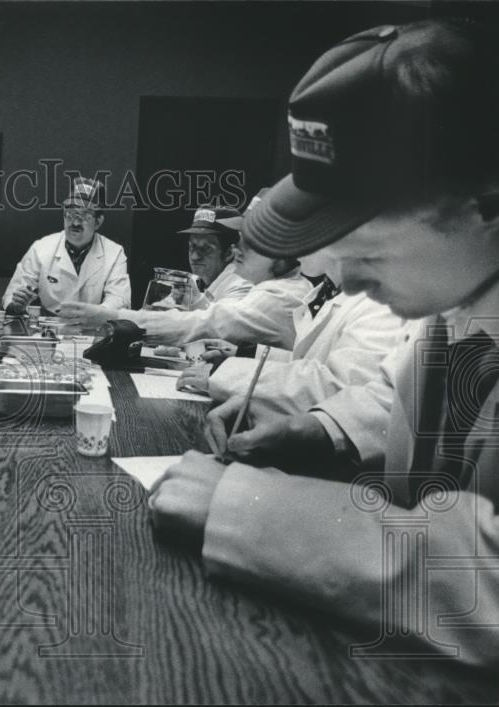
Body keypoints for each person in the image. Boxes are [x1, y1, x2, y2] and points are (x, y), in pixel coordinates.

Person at [150, 18, 499, 666]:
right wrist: (316, 428)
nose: (347, 276)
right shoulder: (455, 300)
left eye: (365, 244)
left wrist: (252, 510)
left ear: (485, 201)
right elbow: (394, 389)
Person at [175, 248, 406, 423]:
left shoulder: (378, 300)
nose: (292, 245)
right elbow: (312, 363)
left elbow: (342, 389)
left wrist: (225, 375)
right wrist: (244, 353)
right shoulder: (327, 292)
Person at [61, 192, 313, 348]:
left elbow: (206, 324)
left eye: (252, 240)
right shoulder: (272, 287)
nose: (238, 248)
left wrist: (114, 318)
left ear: (281, 252)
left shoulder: (279, 296)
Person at [3, 177, 131, 315]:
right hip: (50, 328)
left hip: (93, 328)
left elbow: (119, 300)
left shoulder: (114, 253)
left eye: (84, 215)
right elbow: (12, 294)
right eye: (70, 214)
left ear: (98, 222)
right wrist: (16, 304)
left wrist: (95, 315)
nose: (75, 223)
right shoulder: (41, 248)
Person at [151, 205, 253, 311]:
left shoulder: (241, 286)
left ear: (229, 253)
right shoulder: (204, 285)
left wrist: (195, 300)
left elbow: (223, 323)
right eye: (192, 247)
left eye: (205, 248)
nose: (194, 257)